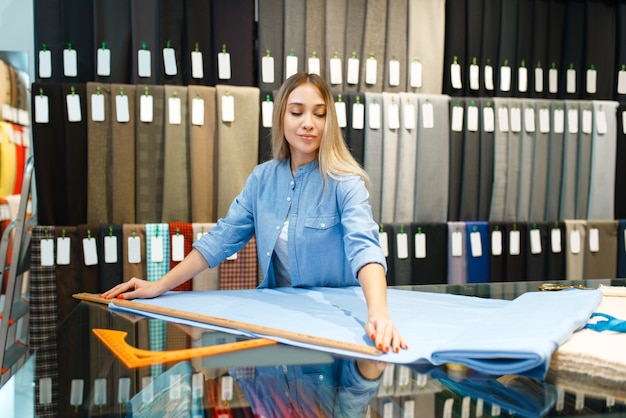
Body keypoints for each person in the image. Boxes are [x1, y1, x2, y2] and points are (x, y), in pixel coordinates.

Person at [102, 72, 407, 356]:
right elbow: (221, 240)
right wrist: (158, 285)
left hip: (332, 320)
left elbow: (365, 247)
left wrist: (379, 315)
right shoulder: (262, 179)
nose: (308, 123)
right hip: (277, 318)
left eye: (320, 113)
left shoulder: (346, 182)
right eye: (297, 111)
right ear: (281, 117)